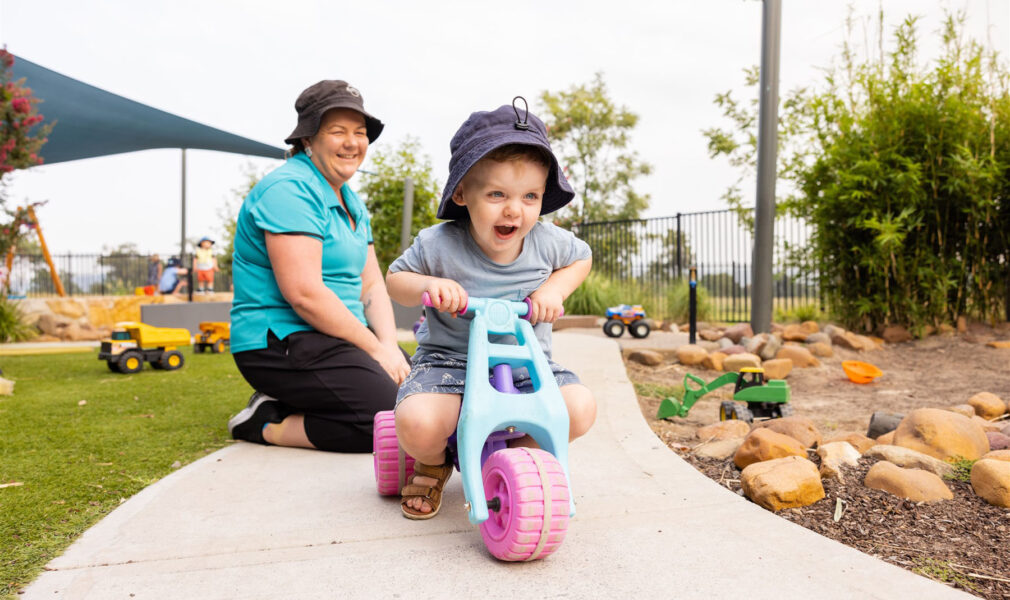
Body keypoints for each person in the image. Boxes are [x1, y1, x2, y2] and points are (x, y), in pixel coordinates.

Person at [386, 101, 597, 519]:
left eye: (530, 196)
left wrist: (555, 288)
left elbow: (582, 258)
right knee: (419, 425)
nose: (514, 209)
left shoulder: (547, 240)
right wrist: (429, 285)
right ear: (462, 193)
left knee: (579, 408)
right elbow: (396, 280)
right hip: (451, 363)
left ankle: (512, 460)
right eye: (497, 194)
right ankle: (433, 460)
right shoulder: (438, 243)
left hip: (527, 365)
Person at [226, 80, 410, 453]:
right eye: (337, 131)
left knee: (428, 397)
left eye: (360, 133)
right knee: (387, 421)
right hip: (283, 340)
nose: (352, 142)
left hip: (340, 338)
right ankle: (267, 423)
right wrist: (375, 351)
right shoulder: (289, 189)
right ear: (307, 140)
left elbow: (372, 285)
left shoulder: (352, 202)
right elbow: (305, 295)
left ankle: (301, 402)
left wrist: (389, 345)